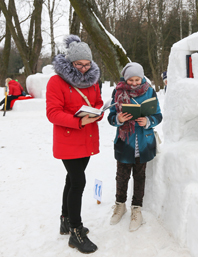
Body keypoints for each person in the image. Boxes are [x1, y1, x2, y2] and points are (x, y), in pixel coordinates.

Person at [46, 35, 102, 254]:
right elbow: (53, 113)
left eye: (87, 64)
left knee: (72, 180)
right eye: (79, 64)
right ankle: (75, 232)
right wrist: (78, 120)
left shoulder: (92, 80)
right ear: (69, 63)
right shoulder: (56, 82)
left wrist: (97, 112)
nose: (83, 69)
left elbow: (96, 102)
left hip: (86, 138)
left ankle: (65, 219)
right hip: (68, 140)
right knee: (78, 182)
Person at [107, 62, 162, 232]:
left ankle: (136, 208)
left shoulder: (150, 91)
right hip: (125, 142)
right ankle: (120, 204)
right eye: (131, 80)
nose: (134, 83)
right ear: (125, 78)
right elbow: (111, 117)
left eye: (137, 79)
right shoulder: (117, 92)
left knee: (140, 176)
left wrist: (148, 121)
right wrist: (119, 120)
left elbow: (158, 115)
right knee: (121, 176)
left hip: (143, 142)